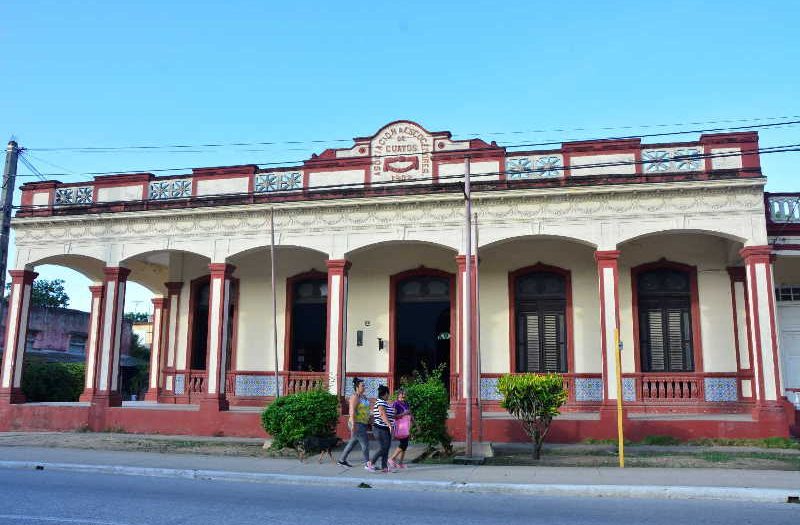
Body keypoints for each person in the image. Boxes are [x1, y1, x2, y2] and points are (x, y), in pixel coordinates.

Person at [337, 377, 370, 468]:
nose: (364, 387)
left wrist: (369, 420)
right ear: (357, 387)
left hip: (363, 422)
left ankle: (341, 460)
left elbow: (366, 410)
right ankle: (368, 463)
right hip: (357, 423)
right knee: (365, 443)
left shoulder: (364, 397)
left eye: (364, 386)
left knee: (353, 442)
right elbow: (352, 411)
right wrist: (353, 424)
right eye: (362, 386)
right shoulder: (354, 397)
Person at [366, 385, 394, 473]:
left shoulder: (383, 402)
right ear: (385, 394)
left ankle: (384, 467)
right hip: (380, 428)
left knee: (386, 447)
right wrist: (389, 424)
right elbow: (382, 414)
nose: (388, 396)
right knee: (383, 447)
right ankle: (370, 463)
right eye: (388, 394)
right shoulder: (381, 402)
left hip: (384, 429)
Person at [388, 388, 412, 469]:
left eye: (405, 396)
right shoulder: (396, 404)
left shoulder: (406, 403)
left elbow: (411, 414)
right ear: (399, 395)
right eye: (402, 395)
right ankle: (392, 458)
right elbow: (394, 416)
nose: (404, 397)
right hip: (400, 426)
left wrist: (416, 424)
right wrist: (403, 413)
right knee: (403, 444)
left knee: (405, 444)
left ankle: (400, 463)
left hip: (407, 426)